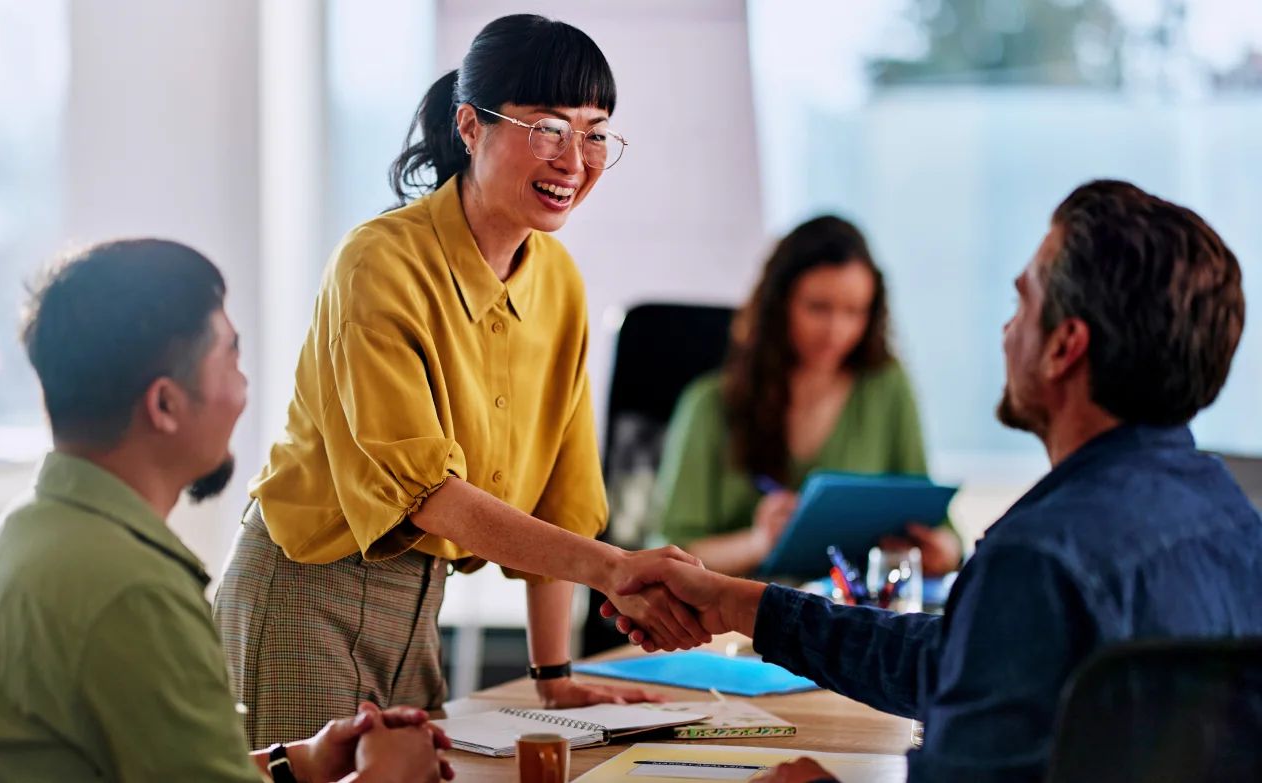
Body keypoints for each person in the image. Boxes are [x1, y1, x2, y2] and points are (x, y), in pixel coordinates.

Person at [604, 180, 1262, 782]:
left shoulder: (1037, 559)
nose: (1007, 330)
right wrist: (737, 602)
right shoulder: (1234, 517)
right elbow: (956, 664)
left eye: (1021, 301)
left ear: (1065, 346)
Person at [213, 13, 707, 748]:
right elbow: (428, 495)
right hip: (305, 597)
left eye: (595, 130)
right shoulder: (378, 264)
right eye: (547, 126)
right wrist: (618, 569)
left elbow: (561, 500)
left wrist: (555, 674)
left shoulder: (559, 283)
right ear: (470, 126)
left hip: (419, 605)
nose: (574, 157)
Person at [0, 240, 451, 783]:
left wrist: (296, 763)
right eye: (231, 357)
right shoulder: (132, 592)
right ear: (165, 404)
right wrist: (387, 778)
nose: (244, 387)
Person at [653, 215, 961, 577]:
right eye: (818, 308)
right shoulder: (708, 406)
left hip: (851, 618)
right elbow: (668, 553)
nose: (837, 330)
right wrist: (760, 541)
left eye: (855, 312)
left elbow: (937, 523)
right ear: (779, 303)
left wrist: (944, 551)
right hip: (738, 622)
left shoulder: (888, 388)